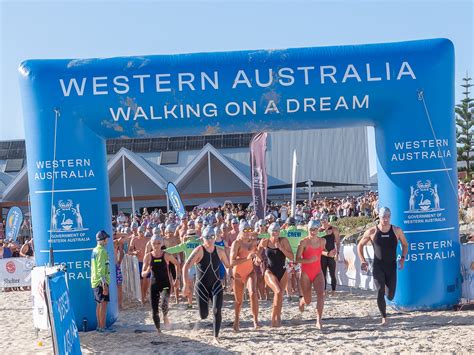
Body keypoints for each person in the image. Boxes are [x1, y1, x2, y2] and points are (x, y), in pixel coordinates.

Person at [357, 207, 408, 326]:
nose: (385, 219)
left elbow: (405, 245)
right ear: (378, 217)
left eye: (388, 217)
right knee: (380, 291)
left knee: (390, 296)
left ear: (390, 217)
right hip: (378, 266)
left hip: (391, 267)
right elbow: (360, 245)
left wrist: (402, 259)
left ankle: (386, 289)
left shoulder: (396, 230)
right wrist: (363, 260)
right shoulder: (372, 231)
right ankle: (384, 317)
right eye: (383, 217)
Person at [183, 226, 230, 342]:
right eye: (207, 237)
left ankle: (216, 336)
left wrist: (231, 279)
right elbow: (185, 267)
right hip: (201, 286)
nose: (210, 239)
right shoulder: (199, 250)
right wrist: (185, 284)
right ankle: (204, 314)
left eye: (212, 237)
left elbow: (228, 266)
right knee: (203, 315)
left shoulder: (220, 251)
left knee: (216, 310)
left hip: (216, 285)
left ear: (215, 237)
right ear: (202, 238)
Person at [256, 222, 294, 327]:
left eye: (277, 230)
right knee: (278, 291)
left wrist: (281, 248)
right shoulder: (265, 242)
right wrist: (258, 259)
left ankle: (278, 317)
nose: (275, 233)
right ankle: (273, 320)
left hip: (282, 271)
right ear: (269, 232)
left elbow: (291, 257)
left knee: (280, 295)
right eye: (273, 231)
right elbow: (257, 253)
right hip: (269, 271)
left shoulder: (284, 241)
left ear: (280, 231)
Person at [141, 235, 181, 334]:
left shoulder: (166, 255)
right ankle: (159, 330)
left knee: (164, 303)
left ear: (162, 244)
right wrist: (146, 272)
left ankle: (165, 316)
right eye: (154, 243)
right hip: (154, 284)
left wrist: (177, 279)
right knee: (154, 310)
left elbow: (177, 264)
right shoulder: (148, 256)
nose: (156, 246)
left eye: (158, 243)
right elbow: (142, 273)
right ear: (151, 244)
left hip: (165, 283)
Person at [296, 219, 326, 329]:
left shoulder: (322, 241)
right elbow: (297, 259)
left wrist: (329, 253)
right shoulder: (303, 242)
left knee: (321, 294)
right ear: (308, 229)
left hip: (318, 271)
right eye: (311, 229)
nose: (313, 231)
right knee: (308, 300)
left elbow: (320, 251)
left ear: (318, 229)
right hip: (305, 273)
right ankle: (302, 301)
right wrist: (309, 261)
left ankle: (319, 320)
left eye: (315, 229)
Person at [230, 221, 259, 331]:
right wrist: (247, 258)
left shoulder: (252, 242)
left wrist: (257, 259)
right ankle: (237, 320)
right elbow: (231, 262)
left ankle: (256, 321)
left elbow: (255, 253)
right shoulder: (236, 243)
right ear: (240, 231)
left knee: (253, 293)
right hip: (238, 274)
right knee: (239, 301)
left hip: (250, 272)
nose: (247, 233)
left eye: (249, 230)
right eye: (245, 230)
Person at [91, 230, 114, 333]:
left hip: (96, 281)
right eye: (106, 238)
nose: (108, 240)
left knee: (99, 304)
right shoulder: (102, 251)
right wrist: (104, 284)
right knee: (103, 305)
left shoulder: (95, 250)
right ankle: (102, 327)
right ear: (103, 239)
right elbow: (101, 269)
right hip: (101, 282)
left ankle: (99, 326)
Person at [319, 213, 340, 295]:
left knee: (332, 273)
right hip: (323, 254)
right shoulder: (319, 230)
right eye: (321, 220)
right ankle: (324, 290)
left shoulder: (334, 229)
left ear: (328, 220)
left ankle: (333, 290)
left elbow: (338, 242)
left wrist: (337, 253)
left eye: (325, 220)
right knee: (323, 273)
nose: (323, 222)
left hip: (332, 253)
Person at [129, 225, 150, 304]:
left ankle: (144, 296)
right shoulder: (134, 240)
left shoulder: (148, 239)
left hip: (147, 262)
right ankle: (142, 298)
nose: (141, 233)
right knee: (141, 281)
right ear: (137, 232)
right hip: (139, 262)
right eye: (140, 232)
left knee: (147, 281)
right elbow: (129, 251)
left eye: (142, 231)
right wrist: (134, 252)